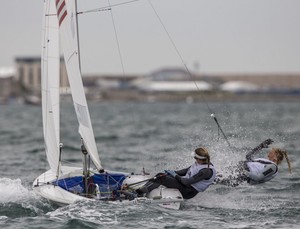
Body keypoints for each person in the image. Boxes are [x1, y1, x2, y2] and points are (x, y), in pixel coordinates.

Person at [135, 147, 216, 199]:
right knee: (161, 175)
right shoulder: (200, 163)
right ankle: (142, 190)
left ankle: (138, 194)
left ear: (198, 158)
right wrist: (172, 172)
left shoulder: (206, 171)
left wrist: (175, 175)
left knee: (161, 178)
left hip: (189, 191)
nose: (194, 159)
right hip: (185, 186)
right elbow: (186, 171)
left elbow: (187, 182)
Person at [215, 139, 292, 186]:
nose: (269, 153)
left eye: (271, 152)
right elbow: (248, 156)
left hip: (241, 177)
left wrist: (243, 171)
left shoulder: (273, 167)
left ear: (276, 156)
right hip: (238, 170)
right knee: (215, 175)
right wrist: (261, 146)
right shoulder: (263, 161)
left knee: (215, 179)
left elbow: (258, 177)